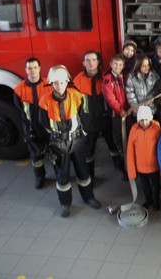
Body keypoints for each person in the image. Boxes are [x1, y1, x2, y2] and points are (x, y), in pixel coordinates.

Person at [38, 65, 101, 217]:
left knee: (83, 172)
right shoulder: (44, 102)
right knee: (62, 176)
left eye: (62, 82)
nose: (59, 86)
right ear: (51, 84)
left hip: (77, 141)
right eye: (56, 83)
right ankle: (65, 203)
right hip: (59, 144)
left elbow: (84, 116)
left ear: (67, 82)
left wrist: (83, 135)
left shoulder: (76, 96)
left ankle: (89, 197)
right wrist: (50, 144)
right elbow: (43, 125)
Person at [73, 50, 127, 182]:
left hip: (105, 118)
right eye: (88, 60)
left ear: (98, 62)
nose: (91, 63)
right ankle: (89, 175)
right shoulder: (78, 80)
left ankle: (119, 169)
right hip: (88, 121)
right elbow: (74, 103)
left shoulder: (106, 77)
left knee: (113, 146)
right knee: (89, 151)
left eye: (93, 60)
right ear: (83, 63)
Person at [13, 57, 53, 189]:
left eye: (35, 67)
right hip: (31, 127)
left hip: (48, 126)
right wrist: (27, 129)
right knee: (35, 155)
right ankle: (40, 177)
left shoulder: (49, 85)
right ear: (25, 70)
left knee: (54, 151)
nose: (33, 71)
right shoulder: (19, 90)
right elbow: (20, 111)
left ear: (40, 69)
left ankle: (60, 174)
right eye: (29, 68)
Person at [127, 106, 161, 210]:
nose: (144, 122)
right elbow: (130, 150)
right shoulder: (134, 130)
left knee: (156, 185)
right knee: (145, 185)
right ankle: (148, 199)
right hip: (141, 166)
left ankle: (156, 200)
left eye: (146, 119)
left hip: (154, 165)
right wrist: (132, 171)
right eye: (141, 120)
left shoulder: (156, 129)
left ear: (150, 118)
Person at [102, 54, 130, 159]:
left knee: (128, 132)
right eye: (115, 64)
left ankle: (128, 153)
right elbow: (110, 98)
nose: (118, 67)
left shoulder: (124, 77)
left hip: (128, 111)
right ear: (110, 64)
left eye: (120, 64)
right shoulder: (108, 79)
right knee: (119, 134)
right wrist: (120, 110)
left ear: (123, 66)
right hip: (117, 113)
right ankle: (122, 155)